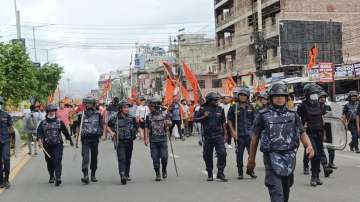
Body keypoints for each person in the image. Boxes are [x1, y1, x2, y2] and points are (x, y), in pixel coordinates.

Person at [247, 83, 314, 202]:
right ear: (271, 98)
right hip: (271, 157)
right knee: (277, 195)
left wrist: (308, 145)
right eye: (276, 96)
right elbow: (255, 138)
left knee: (285, 192)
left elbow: (302, 132)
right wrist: (251, 159)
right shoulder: (263, 115)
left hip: (289, 157)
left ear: (286, 98)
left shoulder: (293, 115)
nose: (279, 98)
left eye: (282, 96)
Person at [297, 83, 329, 186]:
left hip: (319, 133)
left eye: (316, 93)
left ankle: (318, 177)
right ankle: (313, 177)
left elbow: (322, 118)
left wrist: (324, 134)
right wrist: (302, 128)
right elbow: (297, 120)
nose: (315, 95)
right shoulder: (302, 106)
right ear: (307, 94)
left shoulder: (319, 105)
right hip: (309, 134)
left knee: (319, 155)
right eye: (313, 93)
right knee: (313, 155)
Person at [37, 104, 74, 186]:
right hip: (47, 145)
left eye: (53, 111)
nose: (52, 112)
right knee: (49, 161)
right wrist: (39, 141)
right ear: (47, 112)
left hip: (58, 144)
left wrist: (70, 140)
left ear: (55, 111)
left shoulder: (59, 122)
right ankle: (51, 175)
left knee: (57, 160)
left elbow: (65, 132)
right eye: (50, 111)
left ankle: (58, 177)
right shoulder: (43, 123)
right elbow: (39, 133)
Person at [195, 92, 228, 182]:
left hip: (218, 136)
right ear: (209, 100)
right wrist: (203, 116)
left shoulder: (220, 109)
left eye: (217, 99)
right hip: (208, 136)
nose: (217, 101)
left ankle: (220, 173)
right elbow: (194, 119)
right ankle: (210, 173)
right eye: (215, 100)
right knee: (207, 155)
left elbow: (223, 122)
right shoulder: (202, 109)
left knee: (222, 153)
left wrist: (225, 134)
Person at [228, 87, 257, 180]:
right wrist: (232, 131)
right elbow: (229, 120)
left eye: (244, 95)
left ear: (247, 97)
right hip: (238, 135)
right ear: (238, 96)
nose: (242, 97)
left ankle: (251, 170)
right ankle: (240, 172)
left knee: (251, 154)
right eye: (241, 95)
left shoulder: (251, 107)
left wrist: (254, 132)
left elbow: (255, 120)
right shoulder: (233, 107)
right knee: (239, 154)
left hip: (249, 135)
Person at [107, 100, 138, 185]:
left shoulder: (132, 118)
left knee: (128, 159)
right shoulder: (115, 118)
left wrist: (141, 134)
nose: (126, 109)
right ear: (120, 109)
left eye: (127, 107)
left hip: (129, 141)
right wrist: (112, 132)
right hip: (120, 141)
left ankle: (127, 174)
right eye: (125, 107)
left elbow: (137, 127)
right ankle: (122, 175)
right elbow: (108, 126)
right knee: (121, 159)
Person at [77, 97, 104, 184]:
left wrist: (100, 132)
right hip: (85, 140)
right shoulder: (81, 115)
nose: (87, 105)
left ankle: (93, 174)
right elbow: (78, 127)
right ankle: (85, 175)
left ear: (93, 104)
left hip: (95, 139)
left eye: (89, 103)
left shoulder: (98, 114)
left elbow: (101, 125)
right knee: (85, 158)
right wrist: (77, 138)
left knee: (94, 158)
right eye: (86, 103)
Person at [144, 97, 172, 181]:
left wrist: (168, 123)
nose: (149, 107)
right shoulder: (148, 116)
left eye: (151, 105)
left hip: (163, 139)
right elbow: (146, 127)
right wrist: (146, 138)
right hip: (153, 140)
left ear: (155, 106)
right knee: (155, 158)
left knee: (164, 157)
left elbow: (170, 123)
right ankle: (157, 174)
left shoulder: (164, 114)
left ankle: (163, 169)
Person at [319, 91, 336, 170]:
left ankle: (331, 163)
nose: (323, 99)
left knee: (331, 147)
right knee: (319, 148)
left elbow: (333, 117)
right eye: (321, 97)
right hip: (319, 130)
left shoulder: (328, 107)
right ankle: (323, 164)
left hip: (329, 129)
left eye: (324, 97)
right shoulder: (315, 108)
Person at [0, 96, 14, 189]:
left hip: (5, 141)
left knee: (6, 159)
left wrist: (13, 142)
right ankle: (0, 181)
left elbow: (11, 129)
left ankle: (6, 179)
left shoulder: (6, 115)